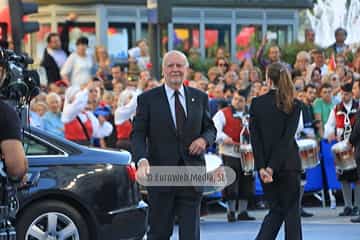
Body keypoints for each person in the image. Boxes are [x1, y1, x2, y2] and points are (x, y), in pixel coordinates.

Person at [132, 50, 216, 240]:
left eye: (179, 65)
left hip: (192, 175)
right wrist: (142, 160)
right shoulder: (147, 99)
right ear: (163, 70)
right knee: (159, 233)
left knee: (190, 235)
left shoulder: (200, 97)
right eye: (171, 66)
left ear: (186, 69)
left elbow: (210, 129)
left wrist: (204, 140)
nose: (175, 70)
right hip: (161, 176)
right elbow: (137, 134)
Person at [250, 62, 303, 240]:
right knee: (291, 214)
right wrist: (271, 167)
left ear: (267, 79)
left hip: (265, 168)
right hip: (288, 165)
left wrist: (263, 167)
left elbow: (255, 140)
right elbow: (286, 140)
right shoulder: (294, 104)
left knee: (276, 210)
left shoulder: (256, 104)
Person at [213, 90, 255, 222]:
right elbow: (214, 130)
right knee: (231, 182)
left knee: (247, 182)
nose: (238, 102)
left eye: (241, 100)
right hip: (229, 152)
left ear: (246, 101)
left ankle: (243, 211)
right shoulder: (222, 114)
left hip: (247, 153)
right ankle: (230, 211)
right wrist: (225, 139)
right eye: (236, 99)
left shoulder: (252, 114)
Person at [324, 82, 360, 217]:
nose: (345, 96)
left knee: (357, 177)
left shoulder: (358, 106)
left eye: (347, 94)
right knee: (343, 176)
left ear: (351, 94)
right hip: (342, 146)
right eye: (343, 94)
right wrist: (330, 133)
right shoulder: (336, 108)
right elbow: (329, 125)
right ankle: (347, 206)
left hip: (355, 145)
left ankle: (357, 205)